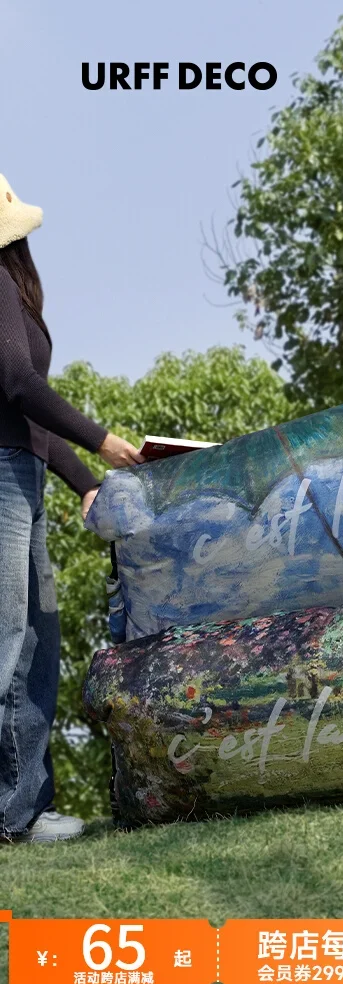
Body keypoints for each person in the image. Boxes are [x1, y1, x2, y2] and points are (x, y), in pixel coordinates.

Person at [0, 174, 144, 844]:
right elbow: (20, 385)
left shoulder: (11, 290)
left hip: (21, 474)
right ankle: (10, 812)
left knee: (35, 642)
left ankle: (23, 811)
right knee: (8, 643)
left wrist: (83, 480)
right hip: (2, 480)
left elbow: (23, 413)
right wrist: (103, 440)